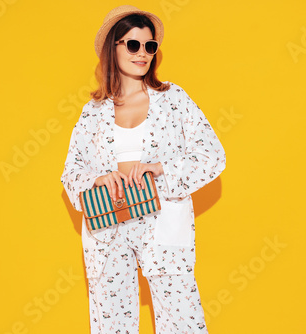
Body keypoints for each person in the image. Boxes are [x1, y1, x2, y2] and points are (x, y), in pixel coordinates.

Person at [60, 5, 226, 334]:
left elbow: (212, 156)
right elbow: (71, 173)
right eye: (133, 45)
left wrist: (160, 169)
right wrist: (97, 178)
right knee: (112, 325)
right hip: (106, 228)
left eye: (150, 46)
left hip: (163, 222)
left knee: (182, 321)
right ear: (114, 48)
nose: (143, 53)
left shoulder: (173, 99)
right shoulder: (93, 111)